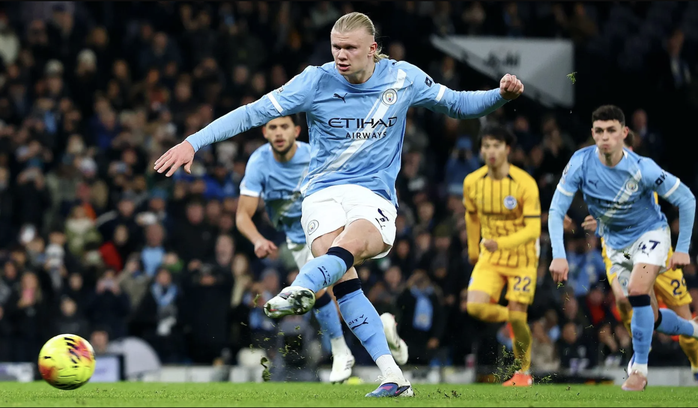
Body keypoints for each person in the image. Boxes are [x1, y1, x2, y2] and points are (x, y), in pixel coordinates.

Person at [154, 12, 523, 397]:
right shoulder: (315, 80)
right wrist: (193, 142)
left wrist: (500, 95)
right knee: (342, 280)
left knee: (350, 245)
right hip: (321, 194)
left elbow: (459, 105)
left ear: (373, 49)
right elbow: (253, 113)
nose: (341, 55)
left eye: (350, 48)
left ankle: (300, 287)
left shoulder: (403, 78)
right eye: (336, 47)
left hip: (372, 194)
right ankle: (394, 377)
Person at [236, 114, 408, 383]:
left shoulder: (315, 155)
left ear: (296, 131)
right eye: (273, 127)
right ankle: (382, 333)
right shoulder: (259, 162)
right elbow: (242, 215)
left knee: (328, 291)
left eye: (284, 127)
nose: (279, 132)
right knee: (339, 295)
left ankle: (341, 351)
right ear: (265, 132)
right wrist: (257, 239)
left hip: (331, 226)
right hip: (297, 238)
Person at [548, 105, 698, 391]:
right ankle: (692, 328)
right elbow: (556, 210)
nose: (605, 137)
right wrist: (558, 254)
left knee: (637, 292)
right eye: (599, 131)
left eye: (611, 130)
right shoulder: (580, 162)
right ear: (592, 133)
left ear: (624, 133)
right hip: (617, 246)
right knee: (649, 313)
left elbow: (687, 199)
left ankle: (639, 369)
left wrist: (682, 248)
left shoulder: (643, 168)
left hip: (650, 235)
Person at [462, 125, 541, 387]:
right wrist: (473, 249)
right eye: (486, 146)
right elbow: (471, 216)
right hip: (490, 257)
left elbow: (533, 229)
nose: (491, 151)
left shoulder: (524, 183)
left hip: (522, 257)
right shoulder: (472, 182)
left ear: (508, 149)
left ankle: (523, 374)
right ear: (481, 150)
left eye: (496, 145)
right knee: (475, 307)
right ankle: (513, 318)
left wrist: (502, 243)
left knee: (519, 314)